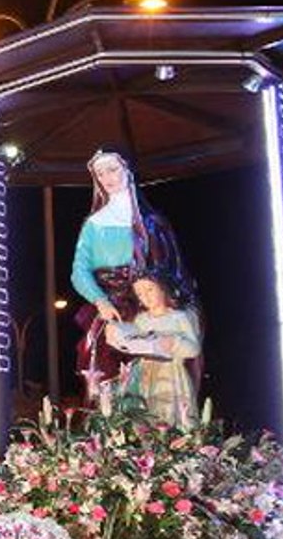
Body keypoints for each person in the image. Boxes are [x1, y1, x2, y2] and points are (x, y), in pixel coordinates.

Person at [71, 149, 198, 399]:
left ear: (127, 171)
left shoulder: (153, 222)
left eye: (113, 169)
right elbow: (79, 271)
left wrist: (161, 300)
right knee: (105, 373)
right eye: (100, 172)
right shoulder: (95, 224)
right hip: (114, 308)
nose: (107, 177)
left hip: (151, 307)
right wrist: (101, 301)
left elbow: (172, 268)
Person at [105, 271, 203, 428]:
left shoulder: (180, 317)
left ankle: (172, 444)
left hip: (170, 373)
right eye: (140, 294)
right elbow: (133, 341)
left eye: (150, 290)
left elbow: (194, 349)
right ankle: (148, 448)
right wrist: (118, 336)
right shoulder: (142, 319)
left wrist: (175, 343)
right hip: (143, 372)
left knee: (170, 413)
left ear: (164, 289)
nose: (146, 296)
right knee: (144, 413)